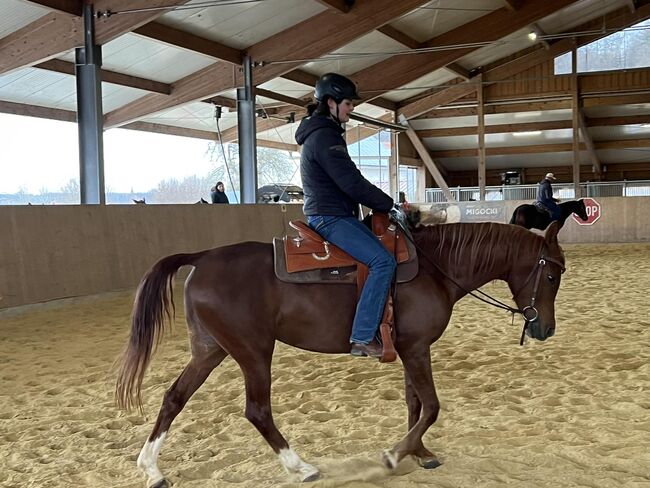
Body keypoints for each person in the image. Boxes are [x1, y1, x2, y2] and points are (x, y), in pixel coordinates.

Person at [294, 72, 397, 358]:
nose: (352, 108)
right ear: (331, 103)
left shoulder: (323, 133)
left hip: (336, 213)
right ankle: (362, 336)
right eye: (348, 103)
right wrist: (389, 204)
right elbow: (350, 182)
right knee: (382, 262)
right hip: (331, 217)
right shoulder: (325, 136)